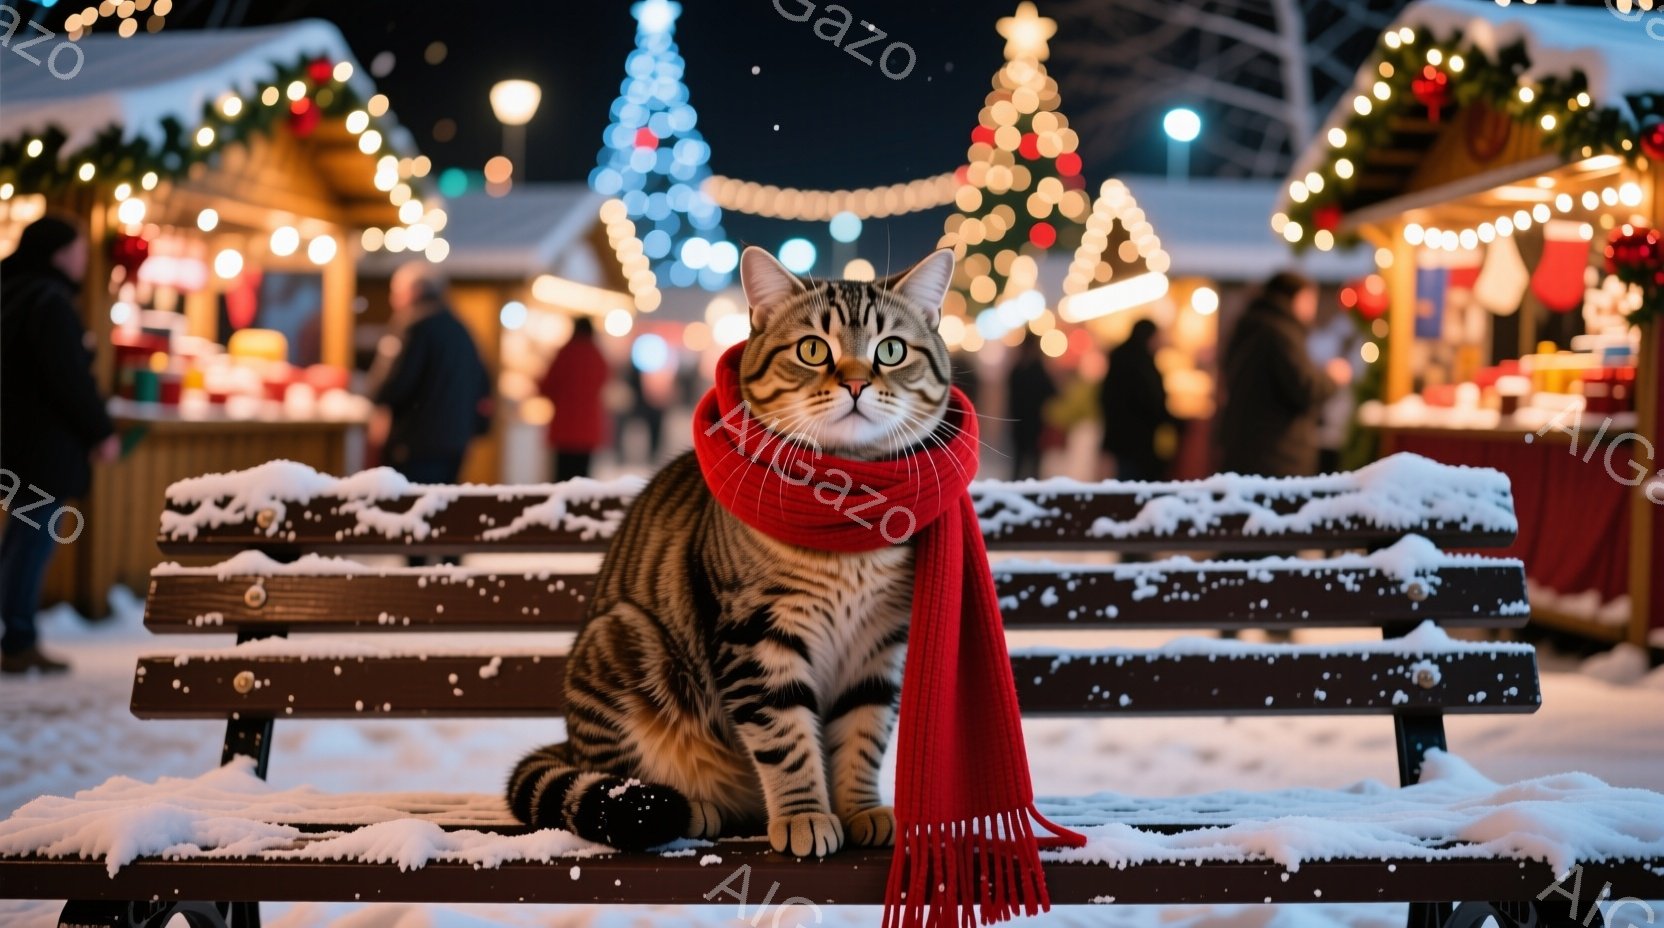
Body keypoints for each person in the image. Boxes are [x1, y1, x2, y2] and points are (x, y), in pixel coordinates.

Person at [0, 214, 118, 675]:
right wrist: (100, 431)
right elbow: (68, 378)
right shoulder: (49, 301)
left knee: (20, 539)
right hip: (43, 449)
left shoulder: (12, 291)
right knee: (31, 542)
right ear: (59, 253)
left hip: (13, 443)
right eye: (80, 249)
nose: (85, 259)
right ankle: (19, 640)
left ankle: (16, 634)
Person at [368, 262, 492, 485]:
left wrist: (374, 395)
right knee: (440, 503)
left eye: (396, 292)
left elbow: (391, 385)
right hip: (455, 444)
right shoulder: (460, 327)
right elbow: (483, 383)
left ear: (414, 291)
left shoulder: (412, 325)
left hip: (415, 443)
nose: (392, 300)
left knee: (410, 503)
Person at [1219, 271, 1351, 478]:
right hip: (1276, 457)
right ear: (1298, 298)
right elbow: (1306, 387)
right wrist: (1332, 377)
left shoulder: (1250, 324)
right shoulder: (1281, 332)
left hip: (1247, 450)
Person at [1098, 319, 1176, 482]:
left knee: (1128, 479)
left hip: (1124, 437)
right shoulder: (1139, 362)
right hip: (1137, 438)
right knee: (1134, 480)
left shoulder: (1123, 358)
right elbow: (1146, 398)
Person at [538, 317, 610, 481]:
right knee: (582, 479)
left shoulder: (565, 353)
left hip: (564, 427)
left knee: (562, 478)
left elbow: (546, 387)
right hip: (588, 428)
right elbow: (604, 382)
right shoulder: (597, 356)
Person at [1006, 333, 1057, 480]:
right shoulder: (1038, 370)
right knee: (1033, 463)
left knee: (1020, 461)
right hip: (1035, 423)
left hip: (1022, 423)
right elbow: (1052, 393)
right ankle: (1031, 490)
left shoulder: (1017, 369)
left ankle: (1017, 487)